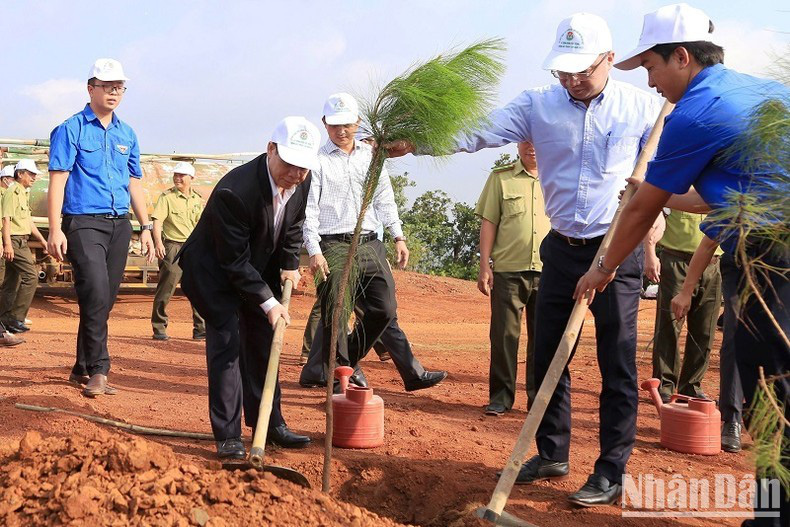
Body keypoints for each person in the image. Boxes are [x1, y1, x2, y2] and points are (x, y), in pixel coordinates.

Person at [388, 13, 661, 506]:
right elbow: (477, 131)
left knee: (616, 362)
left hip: (617, 249)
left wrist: (648, 232)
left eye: (584, 70)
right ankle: (552, 451)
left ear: (610, 60)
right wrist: (418, 141)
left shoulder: (644, 109)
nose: (573, 80)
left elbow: (662, 179)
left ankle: (610, 469)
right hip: (561, 249)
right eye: (565, 70)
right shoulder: (538, 104)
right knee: (546, 357)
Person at [574, 4, 789, 524]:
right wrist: (660, 193)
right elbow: (714, 195)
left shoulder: (694, 113)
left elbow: (643, 210)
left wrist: (602, 268)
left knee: (771, 394)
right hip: (772, 240)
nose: (649, 82)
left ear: (683, 57)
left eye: (650, 67)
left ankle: (773, 516)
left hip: (767, 260)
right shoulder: (759, 91)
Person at [178, 116, 318, 459]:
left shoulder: (302, 179)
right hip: (213, 274)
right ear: (271, 149)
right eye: (289, 163)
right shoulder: (235, 191)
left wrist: (288, 264)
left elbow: (293, 224)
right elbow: (233, 262)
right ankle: (227, 435)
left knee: (261, 343)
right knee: (228, 344)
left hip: (253, 268)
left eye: (303, 167)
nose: (296, 174)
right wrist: (269, 303)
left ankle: (270, 425)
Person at [303, 92, 447, 393]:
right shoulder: (315, 162)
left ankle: (344, 361)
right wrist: (314, 251)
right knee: (336, 315)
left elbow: (384, 198)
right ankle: (339, 380)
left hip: (369, 242)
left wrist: (398, 235)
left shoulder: (371, 157)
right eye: (333, 125)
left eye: (346, 124)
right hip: (331, 244)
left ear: (357, 122)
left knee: (384, 309)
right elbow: (309, 211)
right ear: (324, 124)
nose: (340, 131)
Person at [47, 58, 155, 397]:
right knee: (94, 292)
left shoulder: (127, 134)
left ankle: (81, 365)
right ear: (90, 87)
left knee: (103, 299)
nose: (113, 92)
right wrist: (54, 229)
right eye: (106, 86)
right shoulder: (71, 129)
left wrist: (146, 226)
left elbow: (134, 184)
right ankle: (99, 369)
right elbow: (58, 181)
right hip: (82, 223)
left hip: (120, 225)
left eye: (119, 87)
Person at [475, 141, 550, 416]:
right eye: (525, 141)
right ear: (518, 144)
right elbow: (489, 222)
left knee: (542, 338)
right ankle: (500, 398)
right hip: (507, 270)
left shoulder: (558, 175)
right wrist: (485, 265)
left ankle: (537, 401)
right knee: (504, 336)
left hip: (549, 270)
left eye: (536, 140)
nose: (531, 147)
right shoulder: (500, 178)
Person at [670, 234, 743, 453]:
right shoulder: (736, 200)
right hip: (740, 263)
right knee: (737, 336)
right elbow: (709, 242)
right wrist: (686, 291)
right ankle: (732, 420)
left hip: (782, 264)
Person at [648, 209, 722, 402]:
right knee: (669, 325)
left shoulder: (719, 184)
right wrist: (650, 253)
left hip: (713, 264)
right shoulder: (678, 183)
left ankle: (691, 385)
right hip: (676, 261)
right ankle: (665, 384)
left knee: (705, 329)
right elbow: (653, 214)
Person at [150, 161, 206, 341]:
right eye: (176, 174)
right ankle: (159, 328)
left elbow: (200, 225)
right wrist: (158, 243)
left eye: (182, 175)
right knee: (167, 288)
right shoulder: (167, 198)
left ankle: (200, 329)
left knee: (198, 289)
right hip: (172, 246)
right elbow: (157, 222)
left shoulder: (197, 199)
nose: (177, 178)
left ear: (191, 178)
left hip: (193, 248)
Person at [0, 160, 48, 334]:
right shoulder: (13, 191)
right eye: (31, 174)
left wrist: (42, 240)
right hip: (14, 241)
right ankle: (15, 318)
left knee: (11, 282)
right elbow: (6, 219)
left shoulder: (23, 192)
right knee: (31, 276)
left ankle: (4, 319)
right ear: (20, 174)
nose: (34, 178)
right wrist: (7, 244)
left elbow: (27, 221)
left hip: (20, 240)